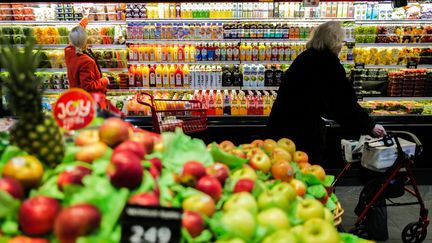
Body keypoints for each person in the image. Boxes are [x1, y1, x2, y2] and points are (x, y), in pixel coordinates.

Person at [266, 21, 385, 164]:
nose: (342, 45)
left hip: (281, 126)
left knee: (281, 170)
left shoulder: (305, 57)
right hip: (301, 133)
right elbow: (343, 103)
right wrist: (369, 126)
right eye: (341, 41)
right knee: (304, 173)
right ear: (334, 42)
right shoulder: (328, 63)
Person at [64, 17, 109, 100]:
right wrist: (105, 80)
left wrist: (80, 27)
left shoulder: (69, 53)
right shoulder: (87, 62)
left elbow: (72, 41)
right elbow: (88, 86)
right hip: (89, 100)